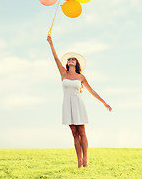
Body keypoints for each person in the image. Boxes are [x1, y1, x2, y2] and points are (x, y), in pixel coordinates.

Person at [47, 35, 112, 168]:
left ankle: (86, 159)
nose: (71, 60)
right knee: (74, 134)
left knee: (82, 132)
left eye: (73, 59)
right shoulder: (63, 74)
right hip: (67, 105)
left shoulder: (81, 76)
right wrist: (51, 43)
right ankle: (79, 161)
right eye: (69, 59)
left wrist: (104, 102)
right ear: (67, 63)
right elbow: (55, 58)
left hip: (78, 105)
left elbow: (92, 91)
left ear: (77, 63)